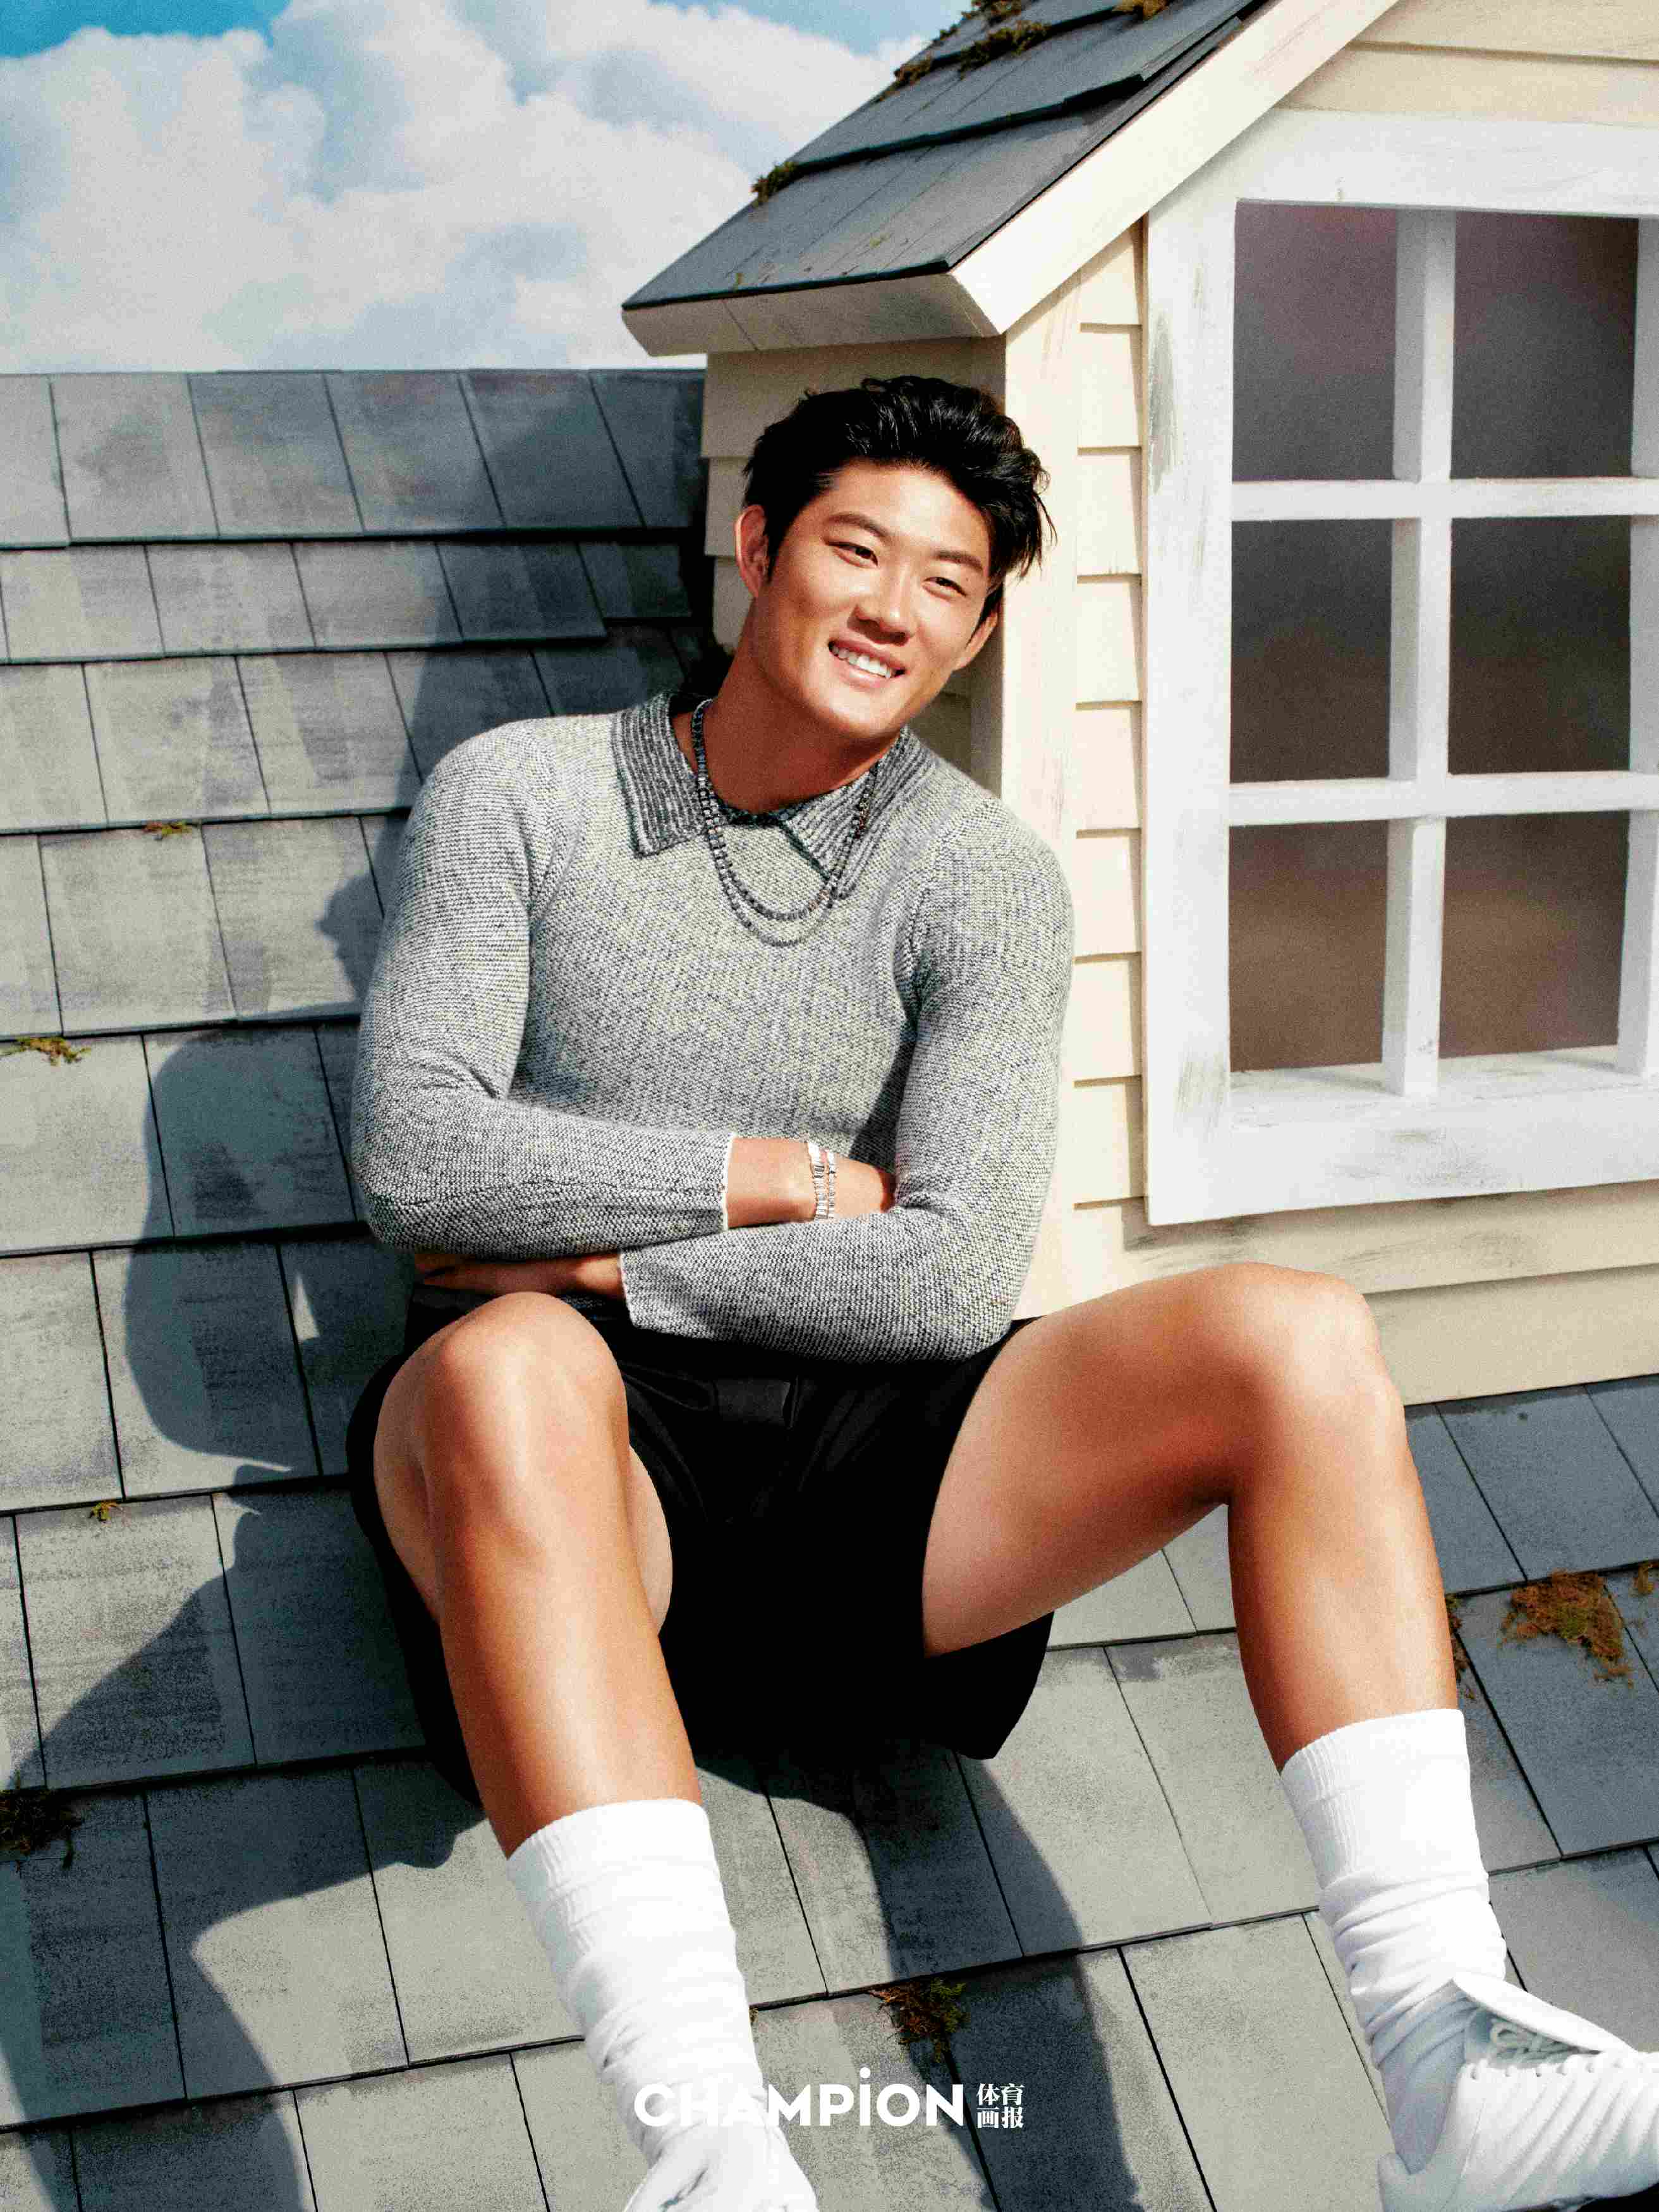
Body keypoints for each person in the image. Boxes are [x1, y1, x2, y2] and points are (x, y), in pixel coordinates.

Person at [344, 375, 1659, 2212]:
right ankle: (714, 2168)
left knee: (1293, 1332)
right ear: (757, 547)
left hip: (869, 1475)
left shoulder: (981, 879)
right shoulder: (524, 795)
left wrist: (597, 1245)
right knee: (506, 1368)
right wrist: (777, 1177)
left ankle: (1453, 2056)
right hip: (564, 1479)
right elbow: (416, 1157)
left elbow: (953, 1270)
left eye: (946, 584)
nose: (892, 608)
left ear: (973, 633)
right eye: (856, 549)